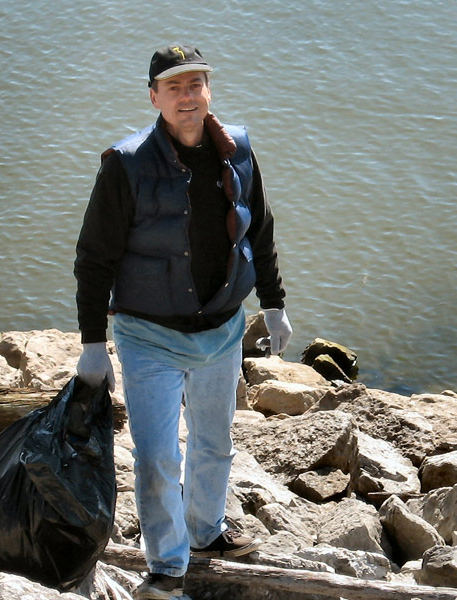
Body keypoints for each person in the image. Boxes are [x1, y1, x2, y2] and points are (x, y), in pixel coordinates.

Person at [73, 44, 292, 600]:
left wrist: (274, 303)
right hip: (149, 336)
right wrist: (93, 344)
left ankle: (205, 531)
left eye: (195, 85)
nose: (187, 96)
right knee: (156, 457)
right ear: (154, 97)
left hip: (222, 331)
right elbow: (93, 258)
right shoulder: (125, 164)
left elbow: (260, 230)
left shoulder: (237, 148)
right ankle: (167, 565)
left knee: (215, 445)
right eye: (174, 87)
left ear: (208, 91)